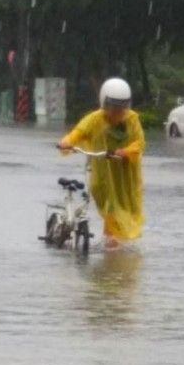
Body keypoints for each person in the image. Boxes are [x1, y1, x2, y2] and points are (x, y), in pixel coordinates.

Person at [58, 78, 145, 248]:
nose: (118, 111)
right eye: (114, 106)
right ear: (105, 102)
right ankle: (111, 246)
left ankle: (114, 247)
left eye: (122, 106)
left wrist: (125, 152)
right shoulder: (94, 120)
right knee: (110, 208)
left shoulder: (132, 120)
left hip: (126, 174)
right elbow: (78, 133)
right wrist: (66, 142)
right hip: (103, 173)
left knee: (127, 208)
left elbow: (139, 142)